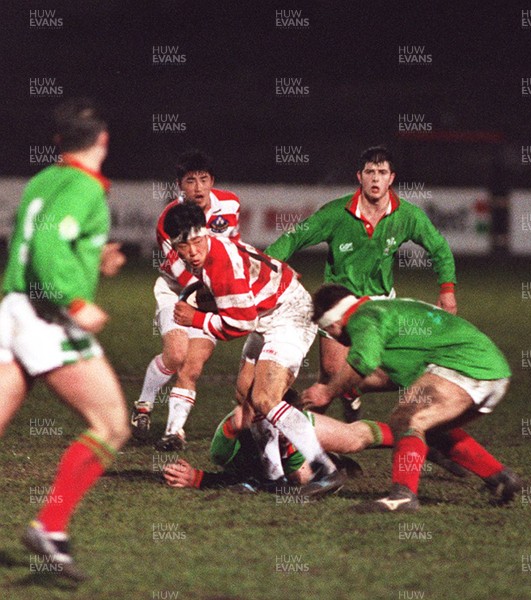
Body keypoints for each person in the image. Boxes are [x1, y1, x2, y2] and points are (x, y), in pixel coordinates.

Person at [0, 98, 130, 579]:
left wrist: (95, 261)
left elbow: (35, 243)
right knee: (111, 425)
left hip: (12, 308)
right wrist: (74, 300)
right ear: (103, 140)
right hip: (46, 315)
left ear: (58, 141)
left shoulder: (43, 179)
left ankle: (50, 529)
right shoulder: (83, 186)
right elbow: (52, 245)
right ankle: (50, 526)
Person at [265, 146, 457, 421]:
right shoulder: (336, 213)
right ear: (360, 176)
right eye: (370, 172)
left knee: (397, 372)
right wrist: (270, 265)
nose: (375, 179)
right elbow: (294, 237)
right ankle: (301, 435)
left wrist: (447, 290)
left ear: (391, 178)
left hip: (379, 304)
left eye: (382, 172)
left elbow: (438, 248)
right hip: (338, 304)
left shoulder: (407, 215)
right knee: (332, 373)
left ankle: (344, 395)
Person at [168, 201, 345, 496]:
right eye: (184, 246)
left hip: (289, 314)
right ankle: (273, 477)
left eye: (197, 241)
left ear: (206, 234)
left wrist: (195, 317)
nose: (193, 252)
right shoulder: (208, 255)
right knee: (245, 392)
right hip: (266, 314)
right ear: (176, 246)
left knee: (265, 398)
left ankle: (326, 469)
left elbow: (241, 323)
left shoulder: (220, 261)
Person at [302, 284, 522, 512]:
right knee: (431, 429)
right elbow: (390, 376)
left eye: (330, 332)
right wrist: (350, 388)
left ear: (333, 323)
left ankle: (403, 496)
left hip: (467, 368)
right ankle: (502, 479)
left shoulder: (364, 317)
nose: (335, 339)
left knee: (405, 420)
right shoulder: (382, 310)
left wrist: (326, 392)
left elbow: (362, 362)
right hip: (492, 373)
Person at [131, 151, 240, 451]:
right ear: (180, 185)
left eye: (203, 179)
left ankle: (173, 433)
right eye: (190, 181)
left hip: (211, 293)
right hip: (175, 290)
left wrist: (225, 288)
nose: (198, 187)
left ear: (212, 181)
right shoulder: (168, 220)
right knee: (177, 354)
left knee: (192, 366)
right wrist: (203, 291)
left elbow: (234, 245)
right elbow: (178, 268)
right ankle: (144, 404)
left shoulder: (230, 205)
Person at [163, 402, 392, 490]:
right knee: (300, 479)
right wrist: (198, 478)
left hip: (297, 420)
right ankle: (329, 460)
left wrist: (201, 479)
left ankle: (408, 432)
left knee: (353, 439)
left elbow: (253, 480)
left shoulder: (289, 433)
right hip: (276, 432)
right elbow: (254, 480)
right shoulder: (226, 449)